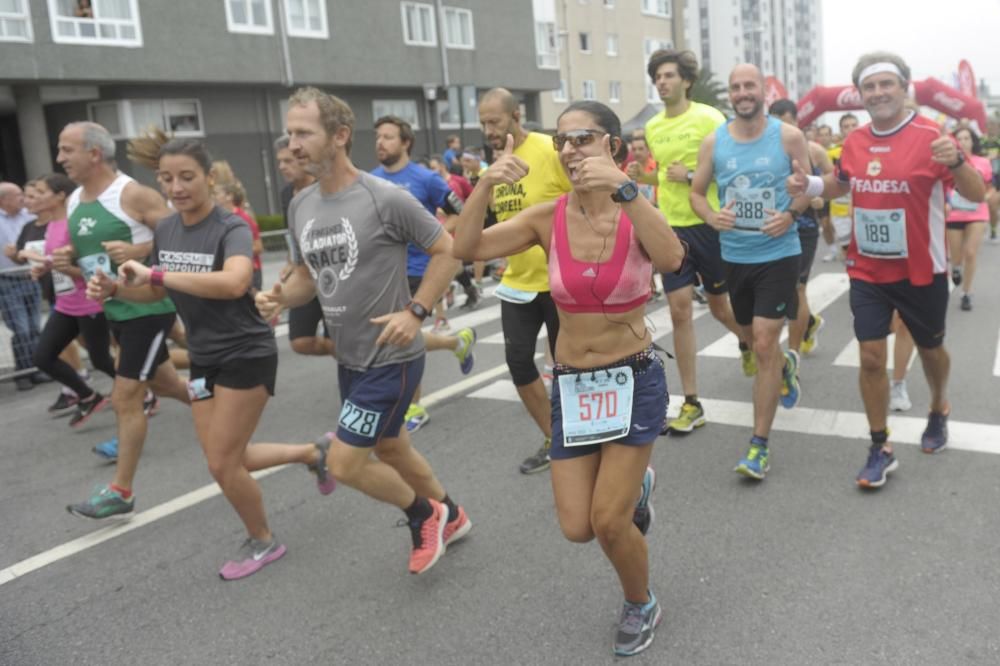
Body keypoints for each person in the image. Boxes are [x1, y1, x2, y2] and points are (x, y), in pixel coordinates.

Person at [454, 100, 685, 657]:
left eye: (584, 137)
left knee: (608, 523)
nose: (571, 148)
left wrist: (627, 190)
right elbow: (466, 249)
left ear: (612, 145)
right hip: (573, 389)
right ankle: (639, 488)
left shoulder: (636, 207)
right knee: (577, 528)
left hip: (632, 379)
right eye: (563, 140)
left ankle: (640, 600)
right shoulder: (547, 216)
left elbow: (674, 258)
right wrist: (484, 185)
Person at [87, 137, 333, 579]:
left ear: (208, 178)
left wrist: (156, 271)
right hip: (202, 359)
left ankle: (263, 540)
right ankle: (312, 453)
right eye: (166, 178)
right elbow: (160, 290)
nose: (176, 187)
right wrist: (117, 290)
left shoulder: (230, 226)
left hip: (246, 353)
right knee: (225, 456)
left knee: (222, 462)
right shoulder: (165, 228)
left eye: (187, 177)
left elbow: (236, 282)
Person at [255, 87, 470, 575]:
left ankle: (425, 515)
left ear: (340, 136)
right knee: (392, 447)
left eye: (305, 133)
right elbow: (309, 278)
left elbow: (447, 251)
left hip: (391, 356)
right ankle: (452, 514)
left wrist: (415, 311)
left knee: (345, 462)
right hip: (348, 356)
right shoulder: (300, 204)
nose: (293, 144)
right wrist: (279, 298)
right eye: (290, 133)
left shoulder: (385, 197)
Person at [788, 51, 986, 488]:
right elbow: (844, 181)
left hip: (923, 270)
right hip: (867, 268)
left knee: (932, 351)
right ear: (860, 95)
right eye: (869, 87)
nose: (878, 93)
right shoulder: (856, 141)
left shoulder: (932, 135)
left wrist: (956, 161)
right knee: (872, 355)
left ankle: (939, 406)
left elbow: (975, 193)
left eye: (886, 84)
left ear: (904, 87)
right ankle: (880, 445)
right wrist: (812, 185)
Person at [55, 121, 191, 518]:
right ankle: (213, 400)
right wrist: (63, 260)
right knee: (165, 384)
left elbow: (184, 236)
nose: (60, 158)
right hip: (115, 309)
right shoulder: (76, 200)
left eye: (67, 150)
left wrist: (139, 246)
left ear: (94, 153)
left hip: (149, 309)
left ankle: (121, 491)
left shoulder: (132, 194)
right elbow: (90, 260)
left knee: (125, 396)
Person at [691, 63, 812, 480]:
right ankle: (783, 366)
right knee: (748, 333)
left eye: (750, 86)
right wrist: (711, 216)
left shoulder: (789, 136)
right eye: (735, 86)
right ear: (730, 94)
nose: (743, 92)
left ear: (763, 90)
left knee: (762, 342)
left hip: (778, 253)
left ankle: (758, 445)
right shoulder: (715, 142)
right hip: (734, 254)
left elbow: (814, 187)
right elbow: (695, 192)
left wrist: (792, 212)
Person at [636, 49, 755, 435]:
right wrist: (646, 179)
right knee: (680, 311)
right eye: (657, 77)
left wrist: (689, 174)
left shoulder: (709, 117)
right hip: (672, 229)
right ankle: (691, 401)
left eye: (669, 75)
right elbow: (665, 178)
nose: (663, 82)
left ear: (686, 80)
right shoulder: (653, 127)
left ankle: (750, 342)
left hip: (709, 223)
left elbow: (731, 168)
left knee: (721, 309)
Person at [474, 88, 572, 473]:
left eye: (494, 121)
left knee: (570, 367)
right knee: (518, 361)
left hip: (559, 281)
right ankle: (554, 438)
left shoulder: (550, 149)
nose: (488, 129)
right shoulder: (496, 167)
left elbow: (580, 199)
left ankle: (583, 436)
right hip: (518, 283)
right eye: (483, 123)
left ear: (516, 115)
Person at [370, 116, 477, 433]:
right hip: (384, 271)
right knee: (398, 335)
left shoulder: (426, 179)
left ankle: (413, 404)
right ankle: (456, 343)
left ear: (405, 143)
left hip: (420, 267)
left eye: (388, 137)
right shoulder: (368, 180)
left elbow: (462, 211)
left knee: (403, 337)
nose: (380, 142)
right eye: (378, 137)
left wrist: (439, 235)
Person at [21, 173, 115, 426]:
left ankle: (143, 392)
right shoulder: (51, 224)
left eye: (40, 192)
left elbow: (94, 268)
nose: (33, 198)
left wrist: (60, 268)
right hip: (66, 305)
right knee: (42, 357)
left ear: (60, 195)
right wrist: (45, 267)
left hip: (89, 302)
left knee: (101, 359)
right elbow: (58, 262)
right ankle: (88, 395)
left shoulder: (75, 224)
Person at [769, 98, 835, 355]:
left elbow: (834, 182)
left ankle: (792, 355)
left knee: (797, 288)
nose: (783, 131)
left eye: (787, 124)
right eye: (777, 125)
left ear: (797, 122)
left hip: (804, 227)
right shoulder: (766, 150)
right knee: (782, 289)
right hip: (776, 225)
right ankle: (808, 322)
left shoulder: (814, 150)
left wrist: (820, 198)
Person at [274, 135, 332, 357]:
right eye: (279, 161)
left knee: (339, 344)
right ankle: (341, 350)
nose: (282, 167)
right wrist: (291, 262)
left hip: (333, 273)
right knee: (301, 342)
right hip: (304, 274)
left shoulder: (325, 188)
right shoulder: (287, 194)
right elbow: (292, 234)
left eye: (288, 161)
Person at [0, 181, 44, 391]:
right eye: (18, 195)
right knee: (21, 329)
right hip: (7, 281)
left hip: (31, 276)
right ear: (4, 199)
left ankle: (36, 370)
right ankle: (23, 372)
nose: (24, 199)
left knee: (35, 327)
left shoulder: (30, 216)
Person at [945, 126, 994, 311]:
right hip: (955, 213)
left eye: (967, 138)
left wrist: (988, 195)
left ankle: (966, 293)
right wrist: (947, 202)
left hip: (977, 213)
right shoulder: (947, 163)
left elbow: (989, 185)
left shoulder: (982, 162)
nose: (964, 142)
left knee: (971, 253)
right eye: (960, 138)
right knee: (956, 258)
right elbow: (943, 187)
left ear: (973, 141)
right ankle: (956, 269)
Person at [213, 181, 264, 291]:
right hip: (228, 272)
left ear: (229, 196)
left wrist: (234, 251)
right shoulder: (217, 218)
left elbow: (258, 246)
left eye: (216, 193)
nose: (213, 196)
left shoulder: (243, 218)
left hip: (250, 271)